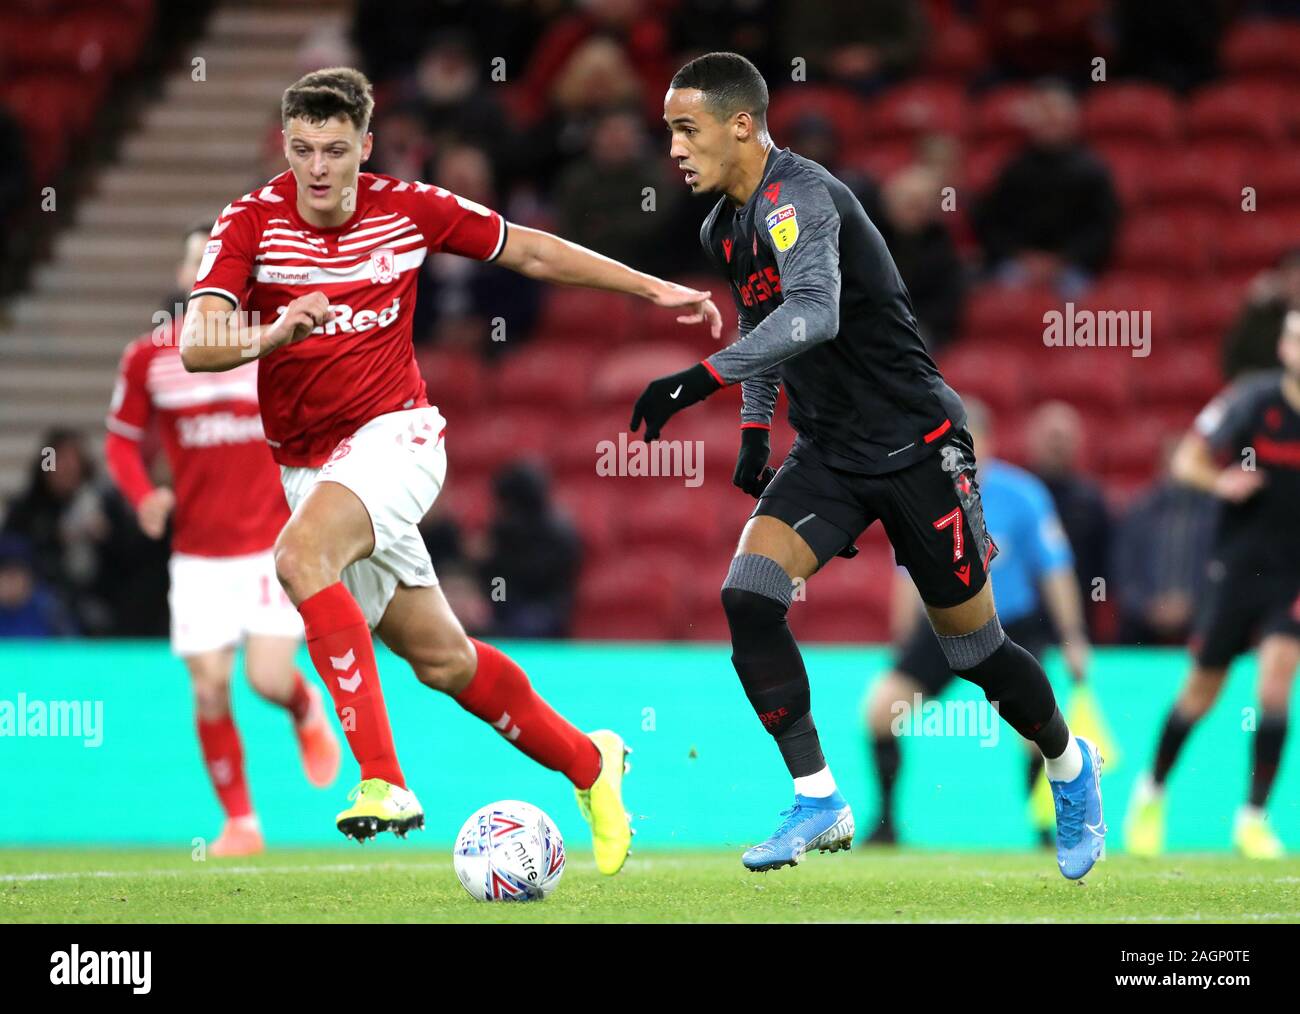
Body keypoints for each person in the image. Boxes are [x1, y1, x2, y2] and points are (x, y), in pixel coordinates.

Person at [180, 67, 721, 875]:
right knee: (443, 660)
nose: (318, 169)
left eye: (334, 150)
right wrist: (276, 334)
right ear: (286, 147)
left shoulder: (410, 208)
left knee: (299, 557)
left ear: (366, 145)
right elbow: (197, 344)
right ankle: (590, 763)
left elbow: (530, 250)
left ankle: (383, 782)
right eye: (302, 151)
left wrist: (651, 287)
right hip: (309, 466)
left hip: (397, 437)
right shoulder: (250, 222)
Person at [635, 51, 1105, 879]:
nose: (671, 146)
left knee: (976, 654)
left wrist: (700, 379)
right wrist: (753, 429)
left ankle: (1070, 766)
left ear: (741, 124)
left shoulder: (802, 197)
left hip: (920, 444)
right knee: (748, 596)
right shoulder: (722, 226)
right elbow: (765, 319)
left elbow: (814, 312)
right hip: (831, 450)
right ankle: (818, 798)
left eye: (685, 127)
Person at [105, 222, 341, 857]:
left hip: (269, 546)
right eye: (195, 260)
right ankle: (242, 823)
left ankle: (303, 709)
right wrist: (142, 496)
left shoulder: (268, 345)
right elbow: (122, 441)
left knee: (266, 679)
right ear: (187, 279)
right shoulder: (149, 357)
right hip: (197, 555)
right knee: (209, 686)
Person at [863, 400, 1089, 847]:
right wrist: (904, 638)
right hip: (943, 624)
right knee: (879, 712)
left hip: (1010, 628)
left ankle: (1047, 831)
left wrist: (1073, 638)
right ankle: (887, 826)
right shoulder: (920, 496)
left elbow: (1055, 569)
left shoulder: (1023, 494)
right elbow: (907, 574)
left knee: (1035, 733)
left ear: (984, 442)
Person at [1125, 312, 1300, 860]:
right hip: (1237, 569)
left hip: (1292, 575)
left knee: (1275, 686)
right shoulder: (1254, 400)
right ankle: (1150, 791)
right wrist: (1220, 480)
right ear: (1285, 347)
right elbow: (1187, 460)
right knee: (1201, 693)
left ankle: (1252, 818)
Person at [972, 80, 1119, 296]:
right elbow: (992, 223)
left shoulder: (1093, 172)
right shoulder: (1013, 169)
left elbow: (1102, 229)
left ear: (1073, 119)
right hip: (1018, 264)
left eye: (1057, 113)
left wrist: (1062, 260)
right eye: (1044, 112)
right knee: (1000, 303)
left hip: (1072, 268)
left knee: (1074, 308)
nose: (1050, 119)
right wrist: (1020, 256)